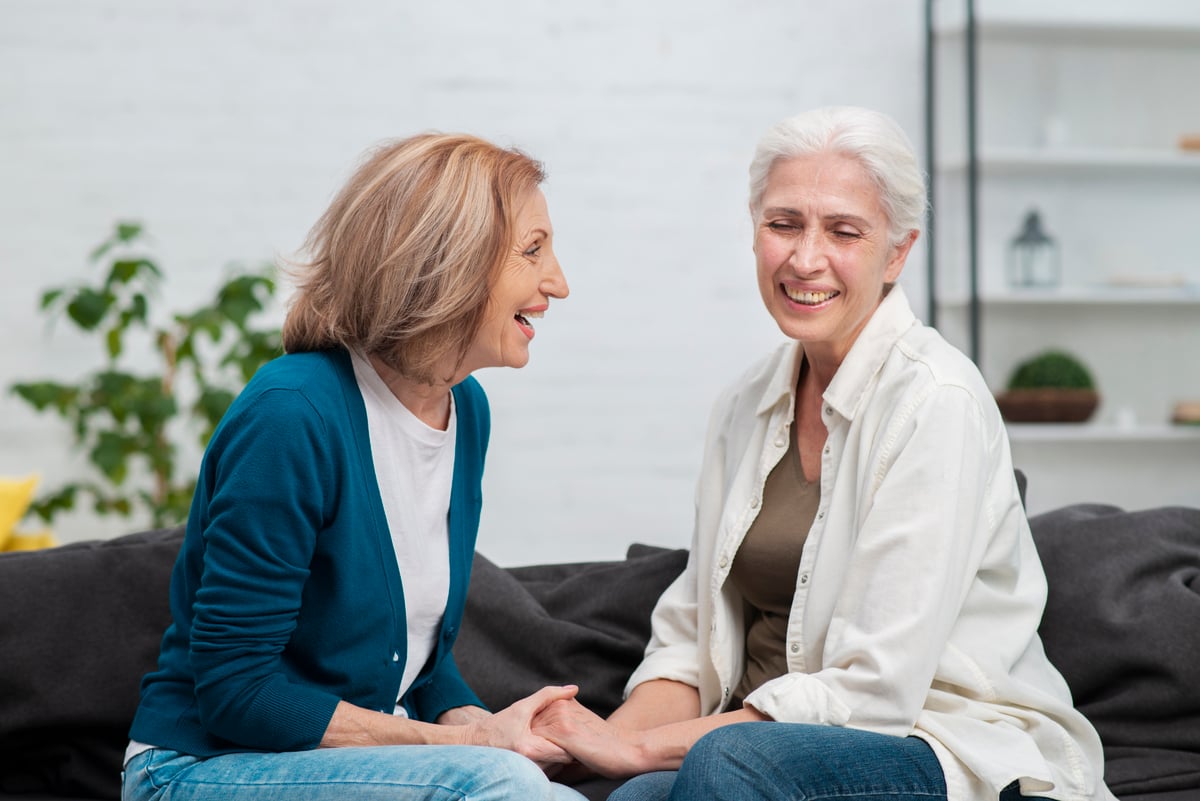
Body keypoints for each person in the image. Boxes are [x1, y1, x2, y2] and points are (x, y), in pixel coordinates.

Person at [532, 107, 1116, 801]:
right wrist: (584, 748)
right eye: (784, 224)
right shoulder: (744, 404)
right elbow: (689, 643)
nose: (805, 258)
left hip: (941, 745)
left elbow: (875, 690)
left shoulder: (938, 401)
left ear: (896, 252)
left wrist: (636, 748)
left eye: (843, 231)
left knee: (727, 766)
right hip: (758, 746)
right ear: (755, 231)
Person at [122, 132, 586, 801]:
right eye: (533, 249)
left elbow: (420, 668)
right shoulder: (293, 414)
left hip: (329, 768)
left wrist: (493, 725)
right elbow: (236, 691)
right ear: (448, 261)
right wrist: (472, 747)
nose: (558, 283)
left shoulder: (466, 411)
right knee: (495, 785)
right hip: (195, 769)